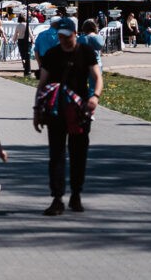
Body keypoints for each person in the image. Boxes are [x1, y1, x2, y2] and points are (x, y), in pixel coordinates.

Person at [33, 17, 103, 215]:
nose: (63, 40)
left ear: (75, 34)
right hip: (55, 111)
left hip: (79, 111)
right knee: (56, 155)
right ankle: (57, 199)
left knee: (78, 154)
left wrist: (95, 97)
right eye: (61, 36)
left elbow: (97, 77)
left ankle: (76, 195)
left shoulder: (85, 52)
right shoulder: (52, 54)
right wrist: (36, 111)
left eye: (66, 36)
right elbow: (42, 84)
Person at [15, 12, 34, 77]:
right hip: (27, 40)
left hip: (20, 40)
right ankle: (27, 64)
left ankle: (24, 63)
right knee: (27, 53)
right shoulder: (26, 25)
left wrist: (14, 39)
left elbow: (16, 34)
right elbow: (30, 33)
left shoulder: (18, 25)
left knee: (22, 53)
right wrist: (33, 39)